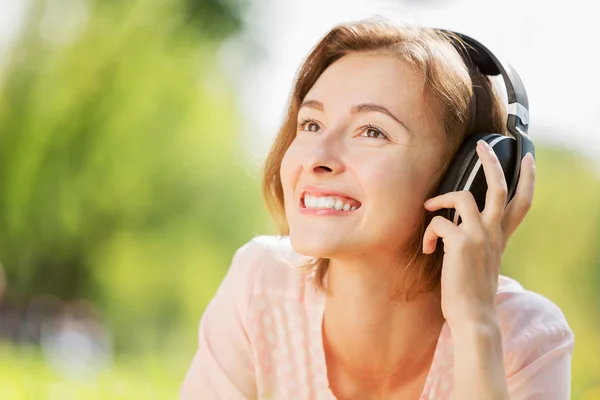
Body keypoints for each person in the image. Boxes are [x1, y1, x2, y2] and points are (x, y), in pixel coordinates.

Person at [181, 18, 574, 400]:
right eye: (312, 124)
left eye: (372, 131)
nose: (317, 157)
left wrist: (475, 324)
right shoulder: (261, 286)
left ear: (467, 178)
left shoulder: (527, 338)